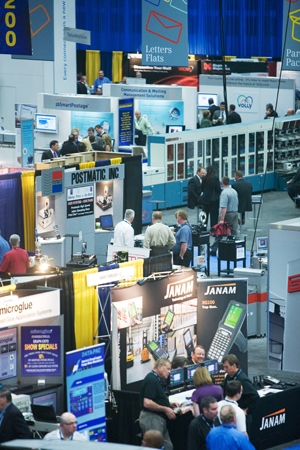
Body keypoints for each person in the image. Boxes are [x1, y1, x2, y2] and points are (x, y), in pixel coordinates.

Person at [139, 357, 179, 450]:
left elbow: (156, 399)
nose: (169, 372)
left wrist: (169, 404)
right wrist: (165, 409)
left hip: (159, 419)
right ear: (160, 367)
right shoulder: (151, 380)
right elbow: (147, 403)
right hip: (151, 418)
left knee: (168, 447)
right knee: (153, 447)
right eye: (168, 369)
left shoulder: (156, 379)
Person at [221, 355, 259, 420]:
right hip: (231, 413)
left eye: (226, 367)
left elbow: (255, 395)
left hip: (242, 416)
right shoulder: (229, 376)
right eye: (224, 367)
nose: (224, 369)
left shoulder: (243, 380)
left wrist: (248, 411)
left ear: (234, 366)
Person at [202, 165, 221, 230]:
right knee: (214, 216)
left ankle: (204, 229)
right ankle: (213, 229)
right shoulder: (215, 178)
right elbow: (218, 189)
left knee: (205, 216)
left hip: (205, 200)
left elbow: (202, 188)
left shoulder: (204, 178)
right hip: (213, 200)